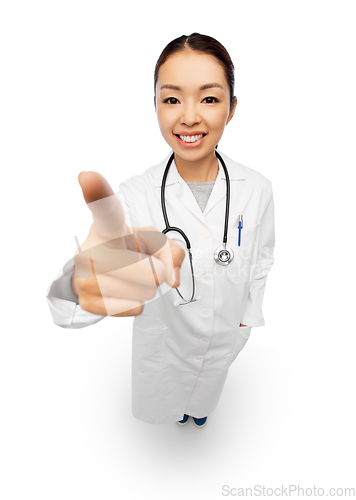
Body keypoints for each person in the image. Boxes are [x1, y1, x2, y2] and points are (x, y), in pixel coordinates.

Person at [46, 32, 275, 428]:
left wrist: (245, 319)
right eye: (171, 99)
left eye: (209, 98)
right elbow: (78, 294)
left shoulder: (257, 188)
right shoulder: (136, 196)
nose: (188, 116)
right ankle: (180, 412)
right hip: (165, 345)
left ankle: (199, 410)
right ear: (154, 106)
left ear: (232, 108)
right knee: (168, 400)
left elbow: (262, 258)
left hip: (225, 339)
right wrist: (82, 284)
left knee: (205, 398)